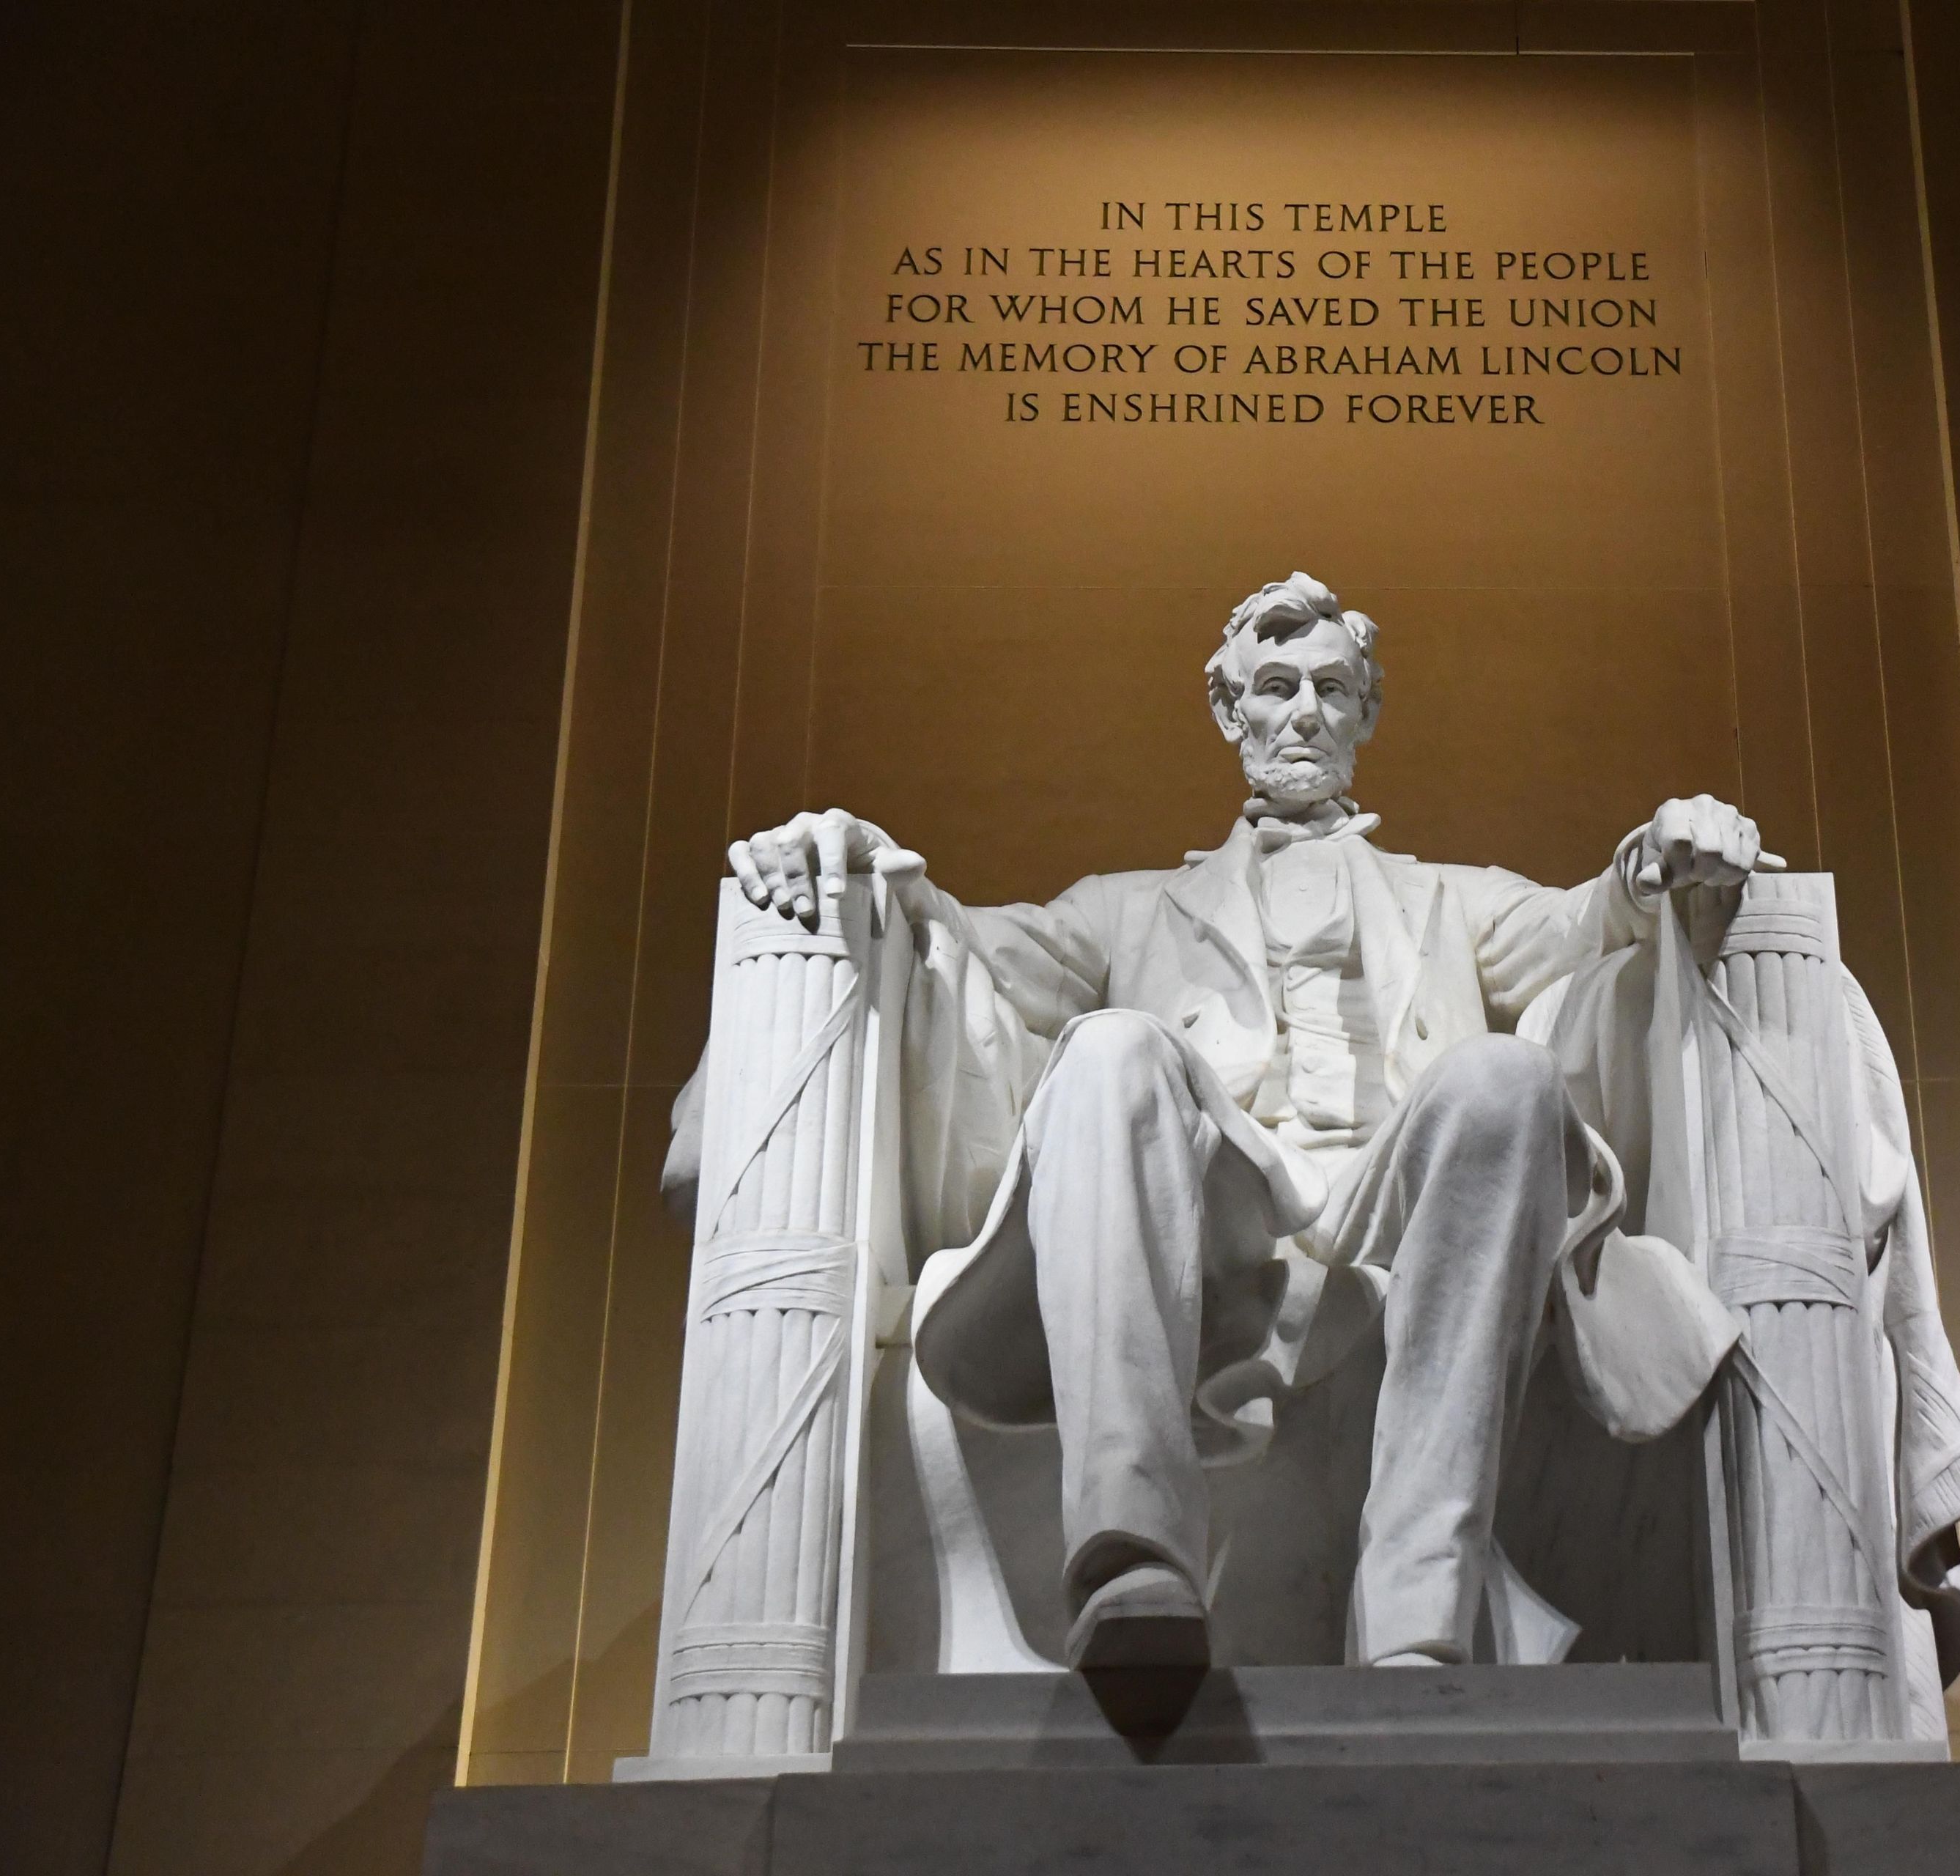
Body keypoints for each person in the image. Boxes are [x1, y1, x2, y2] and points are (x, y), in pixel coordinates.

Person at [713, 572, 1766, 1670]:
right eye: (1275, 687)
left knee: (1505, 1075)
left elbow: (1585, 922)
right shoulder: (1124, 907)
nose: (1304, 712)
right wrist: (869, 867)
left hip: (1399, 1214)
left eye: (1330, 689)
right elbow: (971, 942)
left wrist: (1660, 859)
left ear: (1367, 712)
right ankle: (1134, 1562)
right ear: (1229, 712)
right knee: (1113, 1046)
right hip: (1213, 1224)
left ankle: (1419, 1602)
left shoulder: (1452, 898)